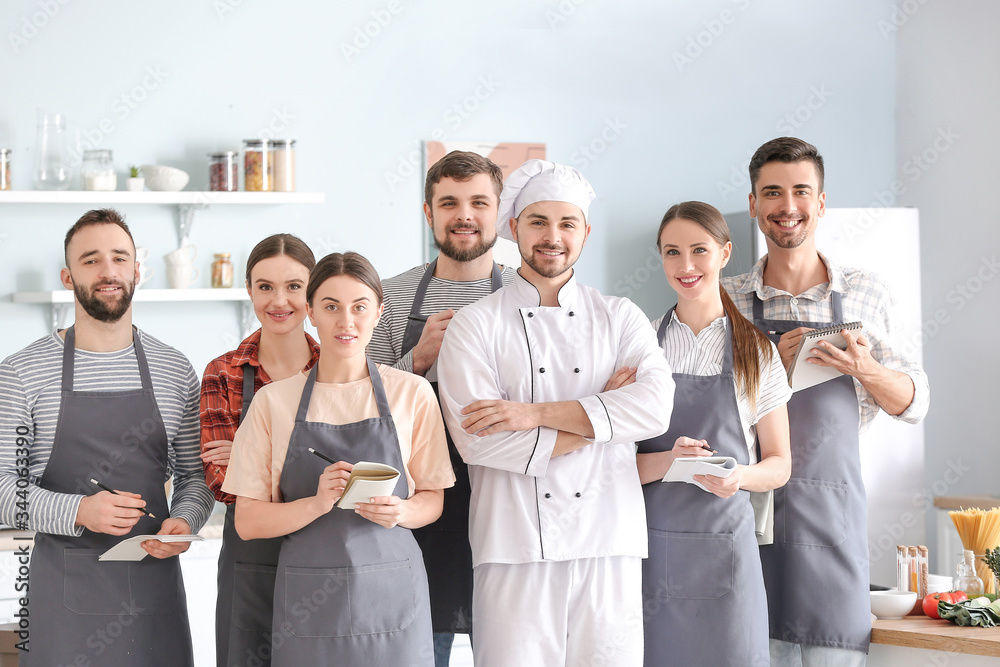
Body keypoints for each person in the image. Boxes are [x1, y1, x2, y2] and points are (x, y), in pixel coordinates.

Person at [437, 159, 675, 667]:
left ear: (585, 232)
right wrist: (604, 420)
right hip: (514, 544)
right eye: (538, 221)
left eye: (567, 223)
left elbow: (654, 409)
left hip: (608, 539)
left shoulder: (621, 316)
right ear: (513, 228)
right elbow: (479, 440)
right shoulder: (474, 326)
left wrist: (532, 413)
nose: (553, 236)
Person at [721, 137, 930, 666]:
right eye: (772, 192)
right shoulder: (725, 298)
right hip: (747, 512)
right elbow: (702, 408)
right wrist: (769, 363)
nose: (786, 206)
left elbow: (914, 403)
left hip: (831, 518)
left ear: (820, 201)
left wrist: (867, 369)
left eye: (800, 191)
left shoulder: (866, 292)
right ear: (753, 205)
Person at [0, 208, 214, 666]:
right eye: (91, 260)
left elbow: (196, 477)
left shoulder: (174, 370)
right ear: (67, 275)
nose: (108, 271)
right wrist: (80, 510)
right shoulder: (22, 374)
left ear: (138, 271)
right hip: (63, 603)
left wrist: (186, 521)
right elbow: (4, 490)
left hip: (155, 593)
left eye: (120, 257)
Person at [221, 251, 455, 666]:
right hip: (309, 609)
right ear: (311, 312)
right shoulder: (273, 402)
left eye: (359, 307)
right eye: (331, 307)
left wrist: (400, 510)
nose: (346, 322)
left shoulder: (413, 393)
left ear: (380, 312)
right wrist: (315, 503)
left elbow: (433, 500)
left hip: (393, 601)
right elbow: (249, 521)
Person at [368, 150, 516, 665]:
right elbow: (355, 403)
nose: (464, 215)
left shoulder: (527, 295)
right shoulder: (389, 297)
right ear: (428, 213)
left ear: (500, 212)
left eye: (479, 201)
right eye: (449, 202)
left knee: (505, 641)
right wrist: (416, 359)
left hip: (505, 495)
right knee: (419, 644)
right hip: (415, 499)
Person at [636, 201, 791, 667]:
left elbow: (780, 465)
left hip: (727, 549)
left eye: (699, 250)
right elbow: (611, 465)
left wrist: (738, 477)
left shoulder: (757, 352)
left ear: (724, 253)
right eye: (671, 252)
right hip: (651, 553)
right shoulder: (640, 345)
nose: (685, 266)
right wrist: (668, 461)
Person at [200, 233, 320, 667]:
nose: (279, 300)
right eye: (265, 286)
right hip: (248, 562)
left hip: (324, 556)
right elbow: (222, 482)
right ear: (249, 290)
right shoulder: (224, 372)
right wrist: (303, 468)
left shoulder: (339, 370)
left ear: (313, 292)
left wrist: (252, 458)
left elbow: (350, 477)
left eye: (293, 286)